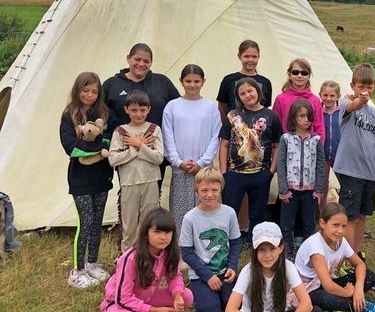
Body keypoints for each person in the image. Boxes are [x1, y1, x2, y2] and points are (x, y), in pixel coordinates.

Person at [224, 221, 323, 312]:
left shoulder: (288, 267)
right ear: (254, 250)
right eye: (262, 250)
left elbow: (306, 304)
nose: (267, 255)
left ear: (281, 248)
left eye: (272, 248)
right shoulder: (248, 271)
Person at [100, 207, 193, 312]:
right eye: (157, 232)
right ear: (146, 233)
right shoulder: (130, 258)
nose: (163, 237)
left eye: (168, 232)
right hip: (119, 303)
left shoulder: (170, 252)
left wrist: (177, 296)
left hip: (146, 297)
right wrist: (156, 310)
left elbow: (175, 276)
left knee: (186, 296)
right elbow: (122, 298)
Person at [59, 72, 114, 288]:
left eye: (94, 91)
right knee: (86, 222)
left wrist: (101, 148)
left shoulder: (103, 113)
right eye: (85, 90)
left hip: (101, 175)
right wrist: (96, 148)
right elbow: (70, 146)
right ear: (77, 90)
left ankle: (91, 263)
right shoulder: (69, 115)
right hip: (80, 178)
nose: (89, 95)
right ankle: (77, 270)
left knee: (97, 222)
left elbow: (109, 140)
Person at [294, 203, 375, 312]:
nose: (340, 231)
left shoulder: (341, 241)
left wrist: (358, 289)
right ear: (323, 224)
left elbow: (360, 265)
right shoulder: (316, 247)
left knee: (370, 276)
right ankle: (360, 305)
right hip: (309, 289)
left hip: (325, 283)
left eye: (344, 226)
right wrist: (348, 292)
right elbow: (328, 286)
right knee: (327, 299)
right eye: (335, 225)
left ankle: (346, 305)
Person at [162, 64, 221, 235]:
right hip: (181, 167)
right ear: (181, 82)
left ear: (203, 82)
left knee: (206, 205)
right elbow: (168, 137)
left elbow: (214, 137)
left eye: (196, 81)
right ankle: (181, 247)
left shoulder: (210, 107)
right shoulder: (172, 106)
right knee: (181, 210)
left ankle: (205, 242)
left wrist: (201, 162)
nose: (192, 85)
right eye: (188, 81)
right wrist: (178, 162)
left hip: (203, 169)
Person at [219, 78, 281, 240]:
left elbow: (277, 146)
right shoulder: (233, 116)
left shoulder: (271, 116)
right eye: (242, 93)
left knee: (258, 213)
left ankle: (256, 242)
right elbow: (224, 144)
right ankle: (228, 242)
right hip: (234, 173)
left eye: (250, 91)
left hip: (261, 173)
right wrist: (224, 172)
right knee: (229, 210)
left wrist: (271, 171)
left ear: (258, 91)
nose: (247, 95)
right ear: (238, 97)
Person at [179, 167, 241, 312]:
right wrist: (208, 276)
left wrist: (232, 267)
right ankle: (195, 288)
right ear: (197, 192)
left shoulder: (229, 213)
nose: (209, 195)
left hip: (225, 272)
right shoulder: (190, 218)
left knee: (236, 307)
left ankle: (219, 294)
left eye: (214, 190)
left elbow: (235, 242)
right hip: (202, 275)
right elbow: (186, 252)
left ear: (220, 189)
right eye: (204, 190)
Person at [333, 64, 375, 254]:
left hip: (369, 171)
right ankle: (348, 256)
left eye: (369, 87)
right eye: (361, 86)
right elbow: (354, 105)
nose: (365, 91)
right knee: (350, 216)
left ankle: (357, 253)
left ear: (374, 86)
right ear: (352, 85)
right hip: (350, 170)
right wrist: (359, 100)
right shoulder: (345, 104)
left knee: (361, 215)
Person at [109, 90, 164, 252]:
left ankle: (148, 256)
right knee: (129, 224)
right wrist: (134, 148)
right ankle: (127, 257)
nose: (138, 114)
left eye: (142, 110)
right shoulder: (120, 131)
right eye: (134, 110)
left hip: (150, 181)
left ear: (148, 109)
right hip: (129, 183)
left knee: (150, 221)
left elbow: (159, 158)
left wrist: (140, 145)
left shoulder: (154, 130)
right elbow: (113, 160)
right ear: (126, 109)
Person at [277, 99, 326, 257]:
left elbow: (320, 164)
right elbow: (281, 164)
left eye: (308, 116)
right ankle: (288, 253)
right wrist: (283, 189)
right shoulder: (286, 139)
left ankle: (309, 253)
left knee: (309, 224)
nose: (306, 119)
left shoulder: (316, 140)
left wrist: (319, 189)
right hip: (290, 191)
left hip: (309, 191)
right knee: (287, 224)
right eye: (302, 116)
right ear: (293, 118)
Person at [216, 40, 273, 120]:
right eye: (246, 56)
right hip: (234, 129)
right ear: (239, 56)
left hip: (258, 130)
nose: (250, 60)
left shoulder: (265, 82)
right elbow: (222, 106)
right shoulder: (228, 80)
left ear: (258, 57)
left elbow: (265, 107)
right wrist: (228, 124)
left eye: (254, 56)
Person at [272, 58, 325, 143]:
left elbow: (319, 128)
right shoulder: (280, 99)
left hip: (310, 148)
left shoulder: (315, 100)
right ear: (289, 75)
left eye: (304, 73)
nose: (299, 76)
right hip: (286, 148)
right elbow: (275, 128)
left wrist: (318, 150)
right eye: (295, 72)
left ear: (309, 76)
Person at [319, 80, 341, 209]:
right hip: (323, 154)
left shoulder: (342, 113)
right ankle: (324, 214)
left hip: (340, 155)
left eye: (332, 96)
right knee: (323, 186)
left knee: (345, 186)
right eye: (325, 95)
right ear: (320, 95)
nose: (328, 98)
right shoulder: (318, 113)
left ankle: (347, 213)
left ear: (337, 96)